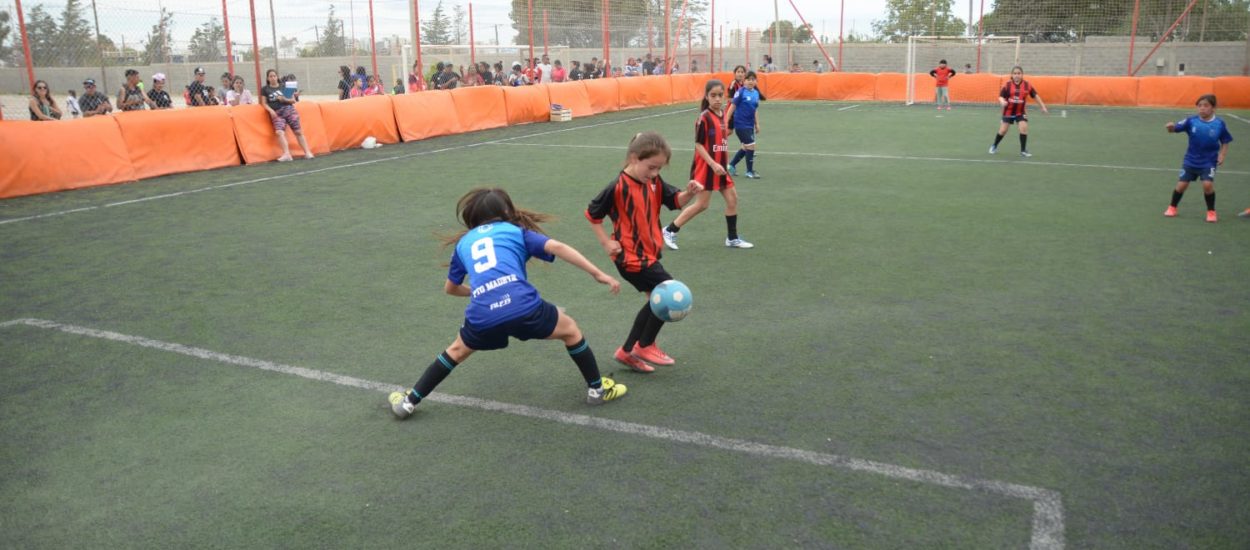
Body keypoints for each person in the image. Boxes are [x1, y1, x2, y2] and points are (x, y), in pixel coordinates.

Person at [389, 188, 627, 419]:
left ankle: (409, 403)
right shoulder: (514, 231)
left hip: (483, 315)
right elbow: (557, 247)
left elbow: (450, 289)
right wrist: (598, 274)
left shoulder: (463, 244)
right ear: (506, 212)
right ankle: (597, 390)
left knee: (456, 351)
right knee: (571, 331)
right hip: (524, 307)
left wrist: (481, 292)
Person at [586, 132, 704, 373]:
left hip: (649, 253)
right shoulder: (617, 187)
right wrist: (605, 243)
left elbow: (676, 201)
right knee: (668, 293)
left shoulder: (654, 182)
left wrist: (690, 192)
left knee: (656, 298)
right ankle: (642, 346)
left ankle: (629, 350)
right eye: (651, 167)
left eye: (659, 169)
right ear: (633, 158)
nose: (654, 173)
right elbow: (593, 214)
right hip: (630, 257)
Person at [662, 80, 754, 251]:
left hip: (720, 168)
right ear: (707, 97)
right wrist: (712, 164)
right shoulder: (703, 118)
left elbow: (724, 135)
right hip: (706, 168)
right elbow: (698, 144)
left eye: (720, 95)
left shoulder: (723, 115)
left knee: (733, 199)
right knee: (702, 204)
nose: (717, 99)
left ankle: (732, 238)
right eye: (713, 95)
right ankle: (669, 230)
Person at [1163, 94, 1233, 223]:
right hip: (1191, 159)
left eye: (1206, 105)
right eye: (1199, 106)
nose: (1202, 108)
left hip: (1209, 160)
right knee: (1181, 185)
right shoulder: (1191, 121)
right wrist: (1170, 127)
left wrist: (1222, 154)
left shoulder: (1219, 124)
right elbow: (1174, 129)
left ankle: (1211, 212)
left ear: (1213, 108)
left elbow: (1225, 140)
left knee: (1207, 185)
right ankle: (1172, 207)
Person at [990, 65, 1048, 158]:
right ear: (1012, 75)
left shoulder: (1027, 85)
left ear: (1022, 75)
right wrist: (1002, 101)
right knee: (1003, 130)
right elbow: (1000, 96)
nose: (1017, 75)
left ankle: (1023, 150)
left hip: (1020, 112)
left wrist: (1043, 107)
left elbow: (1035, 96)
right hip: (1008, 111)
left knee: (1023, 128)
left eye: (1019, 73)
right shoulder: (1007, 85)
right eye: (1015, 73)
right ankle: (994, 145)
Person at [261, 68, 314, 162]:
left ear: (277, 77)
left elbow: (293, 100)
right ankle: (287, 154)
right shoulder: (265, 89)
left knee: (298, 131)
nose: (273, 78)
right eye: (270, 76)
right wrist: (271, 111)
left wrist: (283, 99)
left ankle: (307, 152)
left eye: (274, 76)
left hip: (289, 110)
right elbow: (264, 103)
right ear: (267, 78)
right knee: (279, 132)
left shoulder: (284, 86)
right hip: (277, 113)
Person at [726, 71, 762, 179]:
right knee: (751, 146)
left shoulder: (756, 93)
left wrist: (757, 124)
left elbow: (755, 109)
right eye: (748, 79)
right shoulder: (740, 92)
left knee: (745, 147)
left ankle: (731, 165)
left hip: (750, 124)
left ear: (756, 81)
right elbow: (732, 106)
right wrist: (726, 120)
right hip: (741, 124)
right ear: (744, 81)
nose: (751, 81)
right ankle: (749, 171)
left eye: (753, 79)